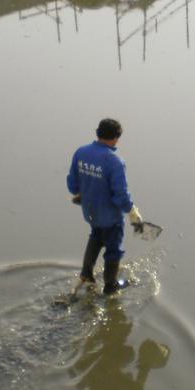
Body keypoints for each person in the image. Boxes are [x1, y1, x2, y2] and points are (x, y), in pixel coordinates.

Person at [66, 118, 143, 294]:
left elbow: (72, 184)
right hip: (110, 216)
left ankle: (86, 274)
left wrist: (82, 193)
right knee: (114, 249)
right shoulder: (114, 161)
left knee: (96, 235)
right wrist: (132, 211)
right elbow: (120, 195)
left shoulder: (81, 152)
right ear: (116, 138)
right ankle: (110, 286)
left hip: (90, 211)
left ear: (98, 132)